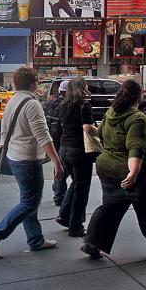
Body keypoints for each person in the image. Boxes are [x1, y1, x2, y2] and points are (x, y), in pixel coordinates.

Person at [81, 80, 146, 261]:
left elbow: (100, 133)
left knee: (109, 208)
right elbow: (136, 149)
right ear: (138, 96)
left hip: (107, 168)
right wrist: (133, 173)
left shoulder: (111, 113)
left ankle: (92, 243)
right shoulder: (137, 118)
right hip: (138, 175)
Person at [0, 67, 63, 258]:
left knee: (28, 199)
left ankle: (35, 239)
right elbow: (43, 135)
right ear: (33, 83)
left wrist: (8, 149)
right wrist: (56, 162)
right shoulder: (32, 104)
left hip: (15, 157)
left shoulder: (12, 101)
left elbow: (4, 131)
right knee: (30, 202)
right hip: (28, 160)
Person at [56, 77, 97, 237]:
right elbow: (87, 128)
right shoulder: (84, 106)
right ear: (82, 88)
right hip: (79, 151)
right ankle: (75, 226)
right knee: (82, 189)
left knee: (75, 184)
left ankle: (64, 215)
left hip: (64, 148)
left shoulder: (63, 105)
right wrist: (100, 131)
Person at [44, 81, 68, 206]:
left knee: (57, 163)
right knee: (61, 165)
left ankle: (56, 188)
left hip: (52, 137)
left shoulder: (50, 103)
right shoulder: (66, 105)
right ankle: (59, 194)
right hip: (62, 137)